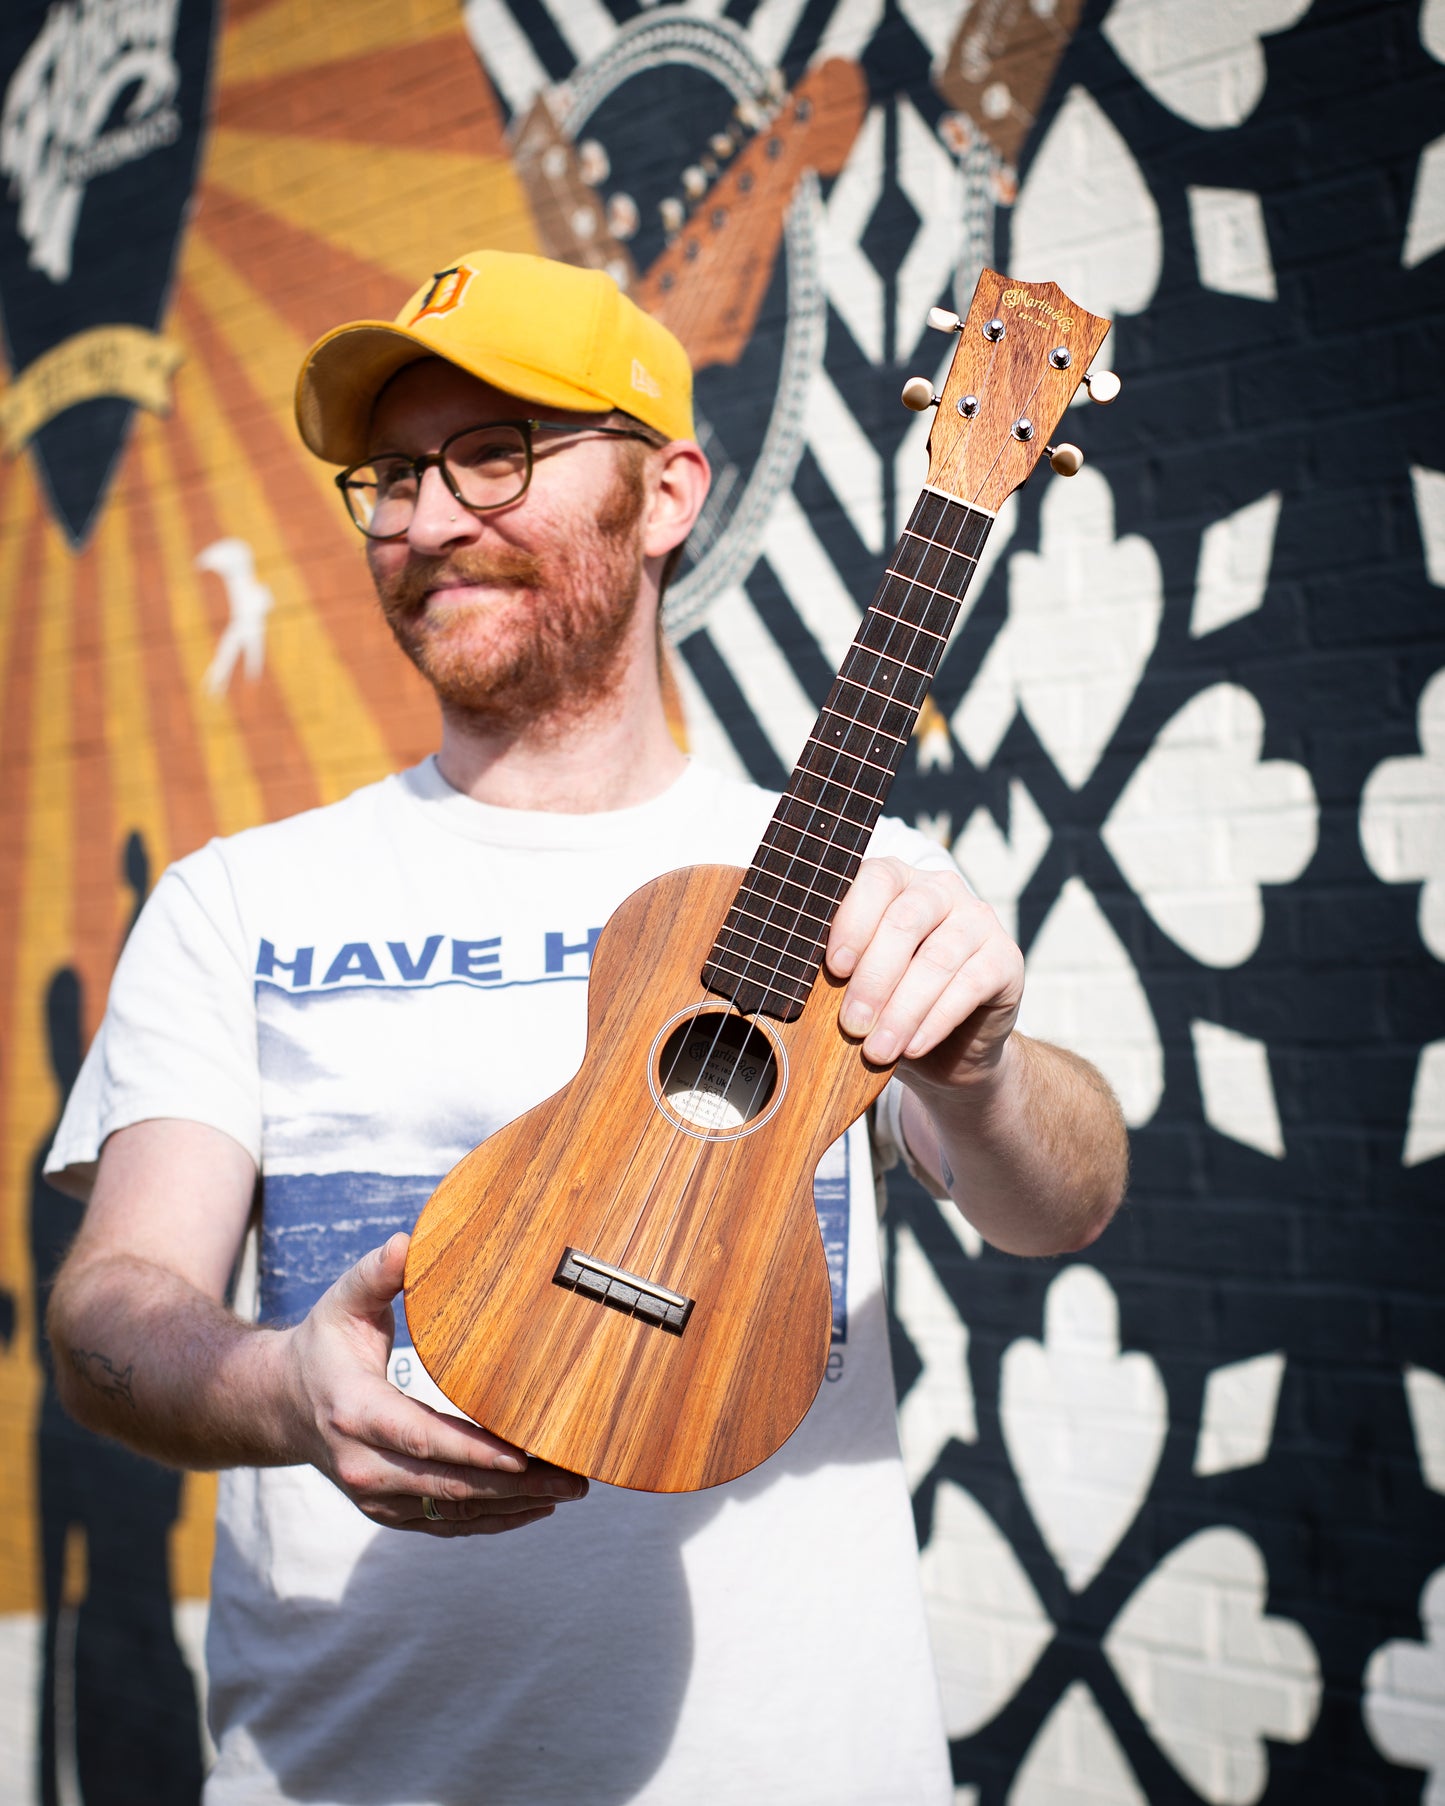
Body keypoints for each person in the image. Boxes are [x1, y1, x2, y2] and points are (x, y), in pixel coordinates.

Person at [45, 249, 1128, 1805]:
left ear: (667, 492)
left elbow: (1063, 1201)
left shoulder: (861, 885)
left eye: (496, 453)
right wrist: (286, 1385)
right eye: (392, 475)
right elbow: (108, 1319)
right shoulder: (240, 901)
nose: (426, 519)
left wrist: (981, 1067)